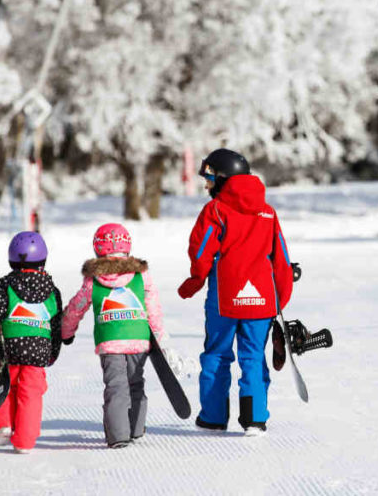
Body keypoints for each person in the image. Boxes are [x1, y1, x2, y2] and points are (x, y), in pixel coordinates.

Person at [178, 148, 294, 434]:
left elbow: (202, 250)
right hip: (261, 299)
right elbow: (281, 259)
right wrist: (280, 298)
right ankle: (255, 418)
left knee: (217, 354)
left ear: (222, 178)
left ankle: (214, 418)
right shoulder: (268, 212)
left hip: (225, 297)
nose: (206, 184)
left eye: (208, 177)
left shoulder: (216, 210)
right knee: (253, 356)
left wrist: (195, 280)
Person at [60, 223, 171, 448]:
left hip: (110, 341)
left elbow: (76, 307)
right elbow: (153, 308)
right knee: (136, 384)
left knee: (116, 386)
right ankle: (136, 428)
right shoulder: (142, 276)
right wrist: (159, 337)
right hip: (138, 339)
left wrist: (65, 332)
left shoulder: (93, 280)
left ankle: (119, 435)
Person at [0, 231, 63, 453]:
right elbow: (56, 325)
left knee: (3, 385)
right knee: (31, 394)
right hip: (38, 350)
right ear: (43, 259)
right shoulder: (52, 290)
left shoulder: (3, 287)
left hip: (9, 347)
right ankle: (25, 441)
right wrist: (53, 352)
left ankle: (4, 425)